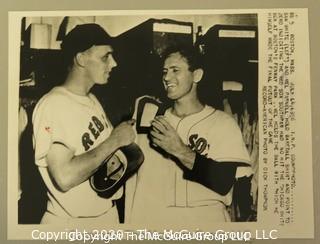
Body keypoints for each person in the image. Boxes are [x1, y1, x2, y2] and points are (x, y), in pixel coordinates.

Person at [126, 45, 253, 224]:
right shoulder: (150, 120)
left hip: (205, 222)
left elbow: (224, 182)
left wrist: (180, 150)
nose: (167, 77)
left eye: (175, 70)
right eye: (164, 71)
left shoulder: (222, 123)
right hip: (159, 222)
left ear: (197, 75)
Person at [32, 23, 136, 224]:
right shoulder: (54, 104)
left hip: (104, 217)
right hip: (71, 225)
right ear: (81, 59)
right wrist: (114, 140)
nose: (113, 63)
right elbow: (64, 177)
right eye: (105, 57)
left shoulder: (91, 99)